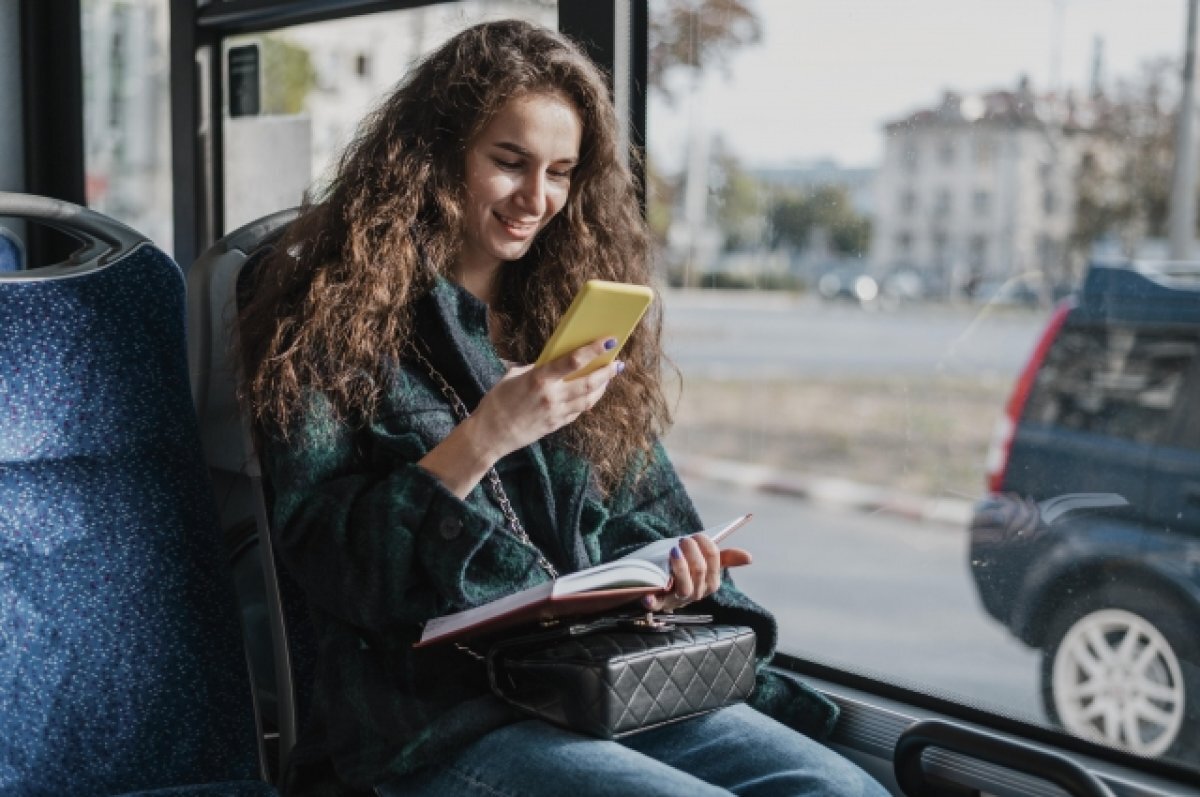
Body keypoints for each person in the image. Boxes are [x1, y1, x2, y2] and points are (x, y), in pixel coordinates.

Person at [239, 19, 890, 797]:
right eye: (509, 163)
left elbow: (641, 512)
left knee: (845, 790)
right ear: (440, 151)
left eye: (561, 172)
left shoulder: (566, 310)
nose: (537, 198)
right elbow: (329, 563)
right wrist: (486, 436)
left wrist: (674, 574)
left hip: (597, 677)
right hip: (436, 711)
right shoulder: (326, 319)